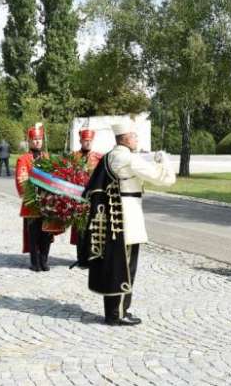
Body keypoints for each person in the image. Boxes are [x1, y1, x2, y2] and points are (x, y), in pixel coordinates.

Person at [85, 119, 176, 326]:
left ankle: (113, 312)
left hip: (115, 215)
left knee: (115, 264)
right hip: (127, 217)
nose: (137, 139)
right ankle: (118, 313)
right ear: (125, 138)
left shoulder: (111, 155)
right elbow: (163, 179)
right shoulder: (127, 159)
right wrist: (164, 161)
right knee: (125, 266)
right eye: (134, 136)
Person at [15, 124, 63, 271]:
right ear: (29, 141)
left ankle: (44, 260)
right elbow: (21, 179)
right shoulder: (24, 159)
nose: (37, 142)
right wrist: (32, 195)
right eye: (34, 139)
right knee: (34, 233)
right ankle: (34, 262)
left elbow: (56, 177)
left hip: (48, 203)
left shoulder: (49, 158)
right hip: (33, 203)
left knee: (47, 233)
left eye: (39, 139)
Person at [69, 128, 103, 268]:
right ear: (80, 141)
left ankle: (91, 257)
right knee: (79, 230)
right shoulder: (73, 156)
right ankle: (80, 258)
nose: (87, 143)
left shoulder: (99, 157)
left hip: (92, 198)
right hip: (76, 197)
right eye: (85, 141)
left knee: (92, 228)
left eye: (90, 141)